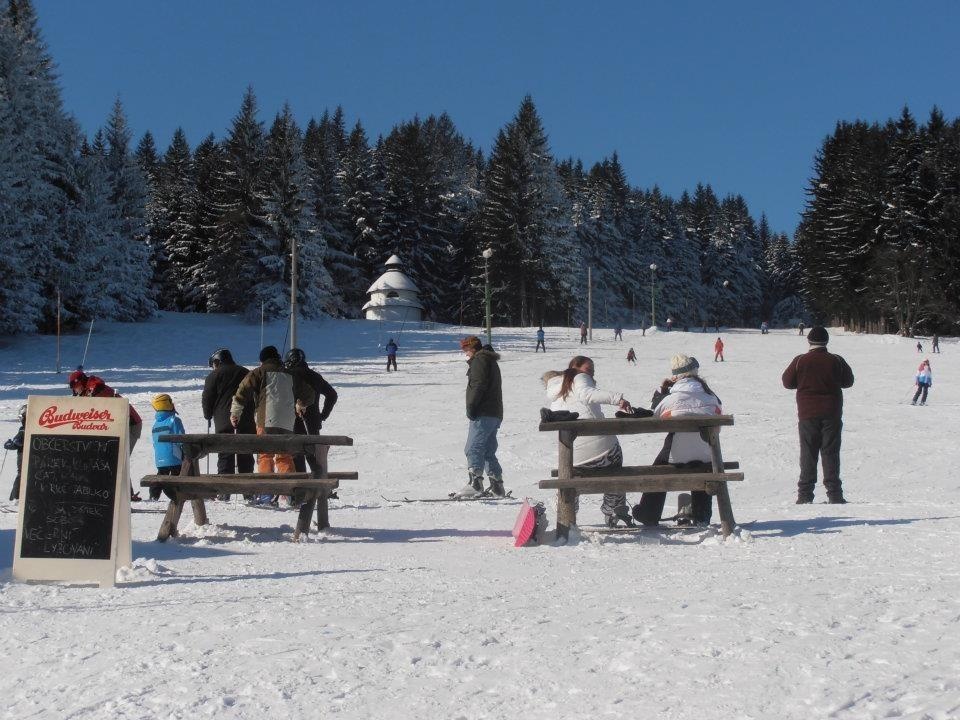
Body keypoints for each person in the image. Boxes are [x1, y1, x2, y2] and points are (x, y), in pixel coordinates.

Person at [633, 354, 722, 526]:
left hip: (676, 456)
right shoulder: (711, 397)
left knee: (658, 468)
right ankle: (701, 514)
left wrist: (662, 392)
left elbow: (654, 416)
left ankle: (649, 512)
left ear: (675, 376)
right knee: (701, 465)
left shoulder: (671, 398)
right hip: (707, 455)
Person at [545, 356, 634, 527]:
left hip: (572, 458)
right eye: (588, 369)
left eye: (593, 370)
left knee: (570, 475)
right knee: (615, 466)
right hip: (604, 453)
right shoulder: (579, 377)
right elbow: (586, 394)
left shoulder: (556, 391)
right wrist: (618, 399)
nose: (591, 373)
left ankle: (567, 509)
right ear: (574, 367)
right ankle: (613, 510)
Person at [782, 326, 855, 504]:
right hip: (832, 413)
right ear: (826, 341)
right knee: (830, 452)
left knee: (808, 452)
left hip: (807, 413)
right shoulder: (836, 360)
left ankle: (805, 495)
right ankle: (835, 495)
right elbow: (848, 381)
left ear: (809, 341)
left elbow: (787, 382)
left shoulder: (800, 360)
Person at [230, 346, 315, 486]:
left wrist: (235, 413)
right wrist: (301, 404)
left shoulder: (259, 372)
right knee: (285, 456)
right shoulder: (290, 374)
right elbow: (309, 394)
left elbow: (242, 392)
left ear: (262, 360)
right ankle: (288, 490)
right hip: (287, 423)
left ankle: (266, 490)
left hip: (265, 420)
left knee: (265, 455)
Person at [69, 368, 143, 501]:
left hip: (130, 424)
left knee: (120, 458)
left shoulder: (96, 388)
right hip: (117, 426)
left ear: (81, 383)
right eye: (73, 388)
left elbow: (97, 389)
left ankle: (127, 493)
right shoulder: (85, 393)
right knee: (114, 458)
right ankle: (121, 491)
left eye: (76, 387)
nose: (75, 390)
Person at [202, 349, 255, 493]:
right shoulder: (245, 372)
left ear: (217, 361)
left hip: (223, 421)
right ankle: (248, 490)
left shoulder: (213, 376)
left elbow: (207, 397)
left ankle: (224, 490)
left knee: (225, 454)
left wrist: (207, 415)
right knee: (246, 453)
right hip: (246, 419)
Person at [458, 336, 505, 498]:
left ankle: (475, 483)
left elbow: (478, 385)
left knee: (473, 447)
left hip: (483, 411)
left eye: (466, 350)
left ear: (472, 349)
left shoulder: (480, 360)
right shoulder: (489, 360)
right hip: (494, 412)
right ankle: (497, 486)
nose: (466, 354)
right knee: (487, 449)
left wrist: (471, 406)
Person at [284, 348, 338, 474]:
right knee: (314, 456)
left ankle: (301, 482)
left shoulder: (288, 375)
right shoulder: (315, 376)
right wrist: (323, 415)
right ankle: (318, 480)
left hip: (292, 422)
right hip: (313, 421)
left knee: (298, 455)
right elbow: (332, 395)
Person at [149, 394, 185, 501]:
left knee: (161, 473)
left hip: (159, 458)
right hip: (174, 456)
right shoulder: (174, 420)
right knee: (178, 474)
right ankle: (175, 493)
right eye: (170, 401)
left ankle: (154, 494)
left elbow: (154, 442)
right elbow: (181, 438)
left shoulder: (156, 424)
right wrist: (185, 451)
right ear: (166, 404)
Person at [4, 404, 26, 501]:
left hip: (23, 456)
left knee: (21, 474)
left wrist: (8, 444)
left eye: (21, 417)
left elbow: (15, 443)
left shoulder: (23, 430)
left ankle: (15, 497)